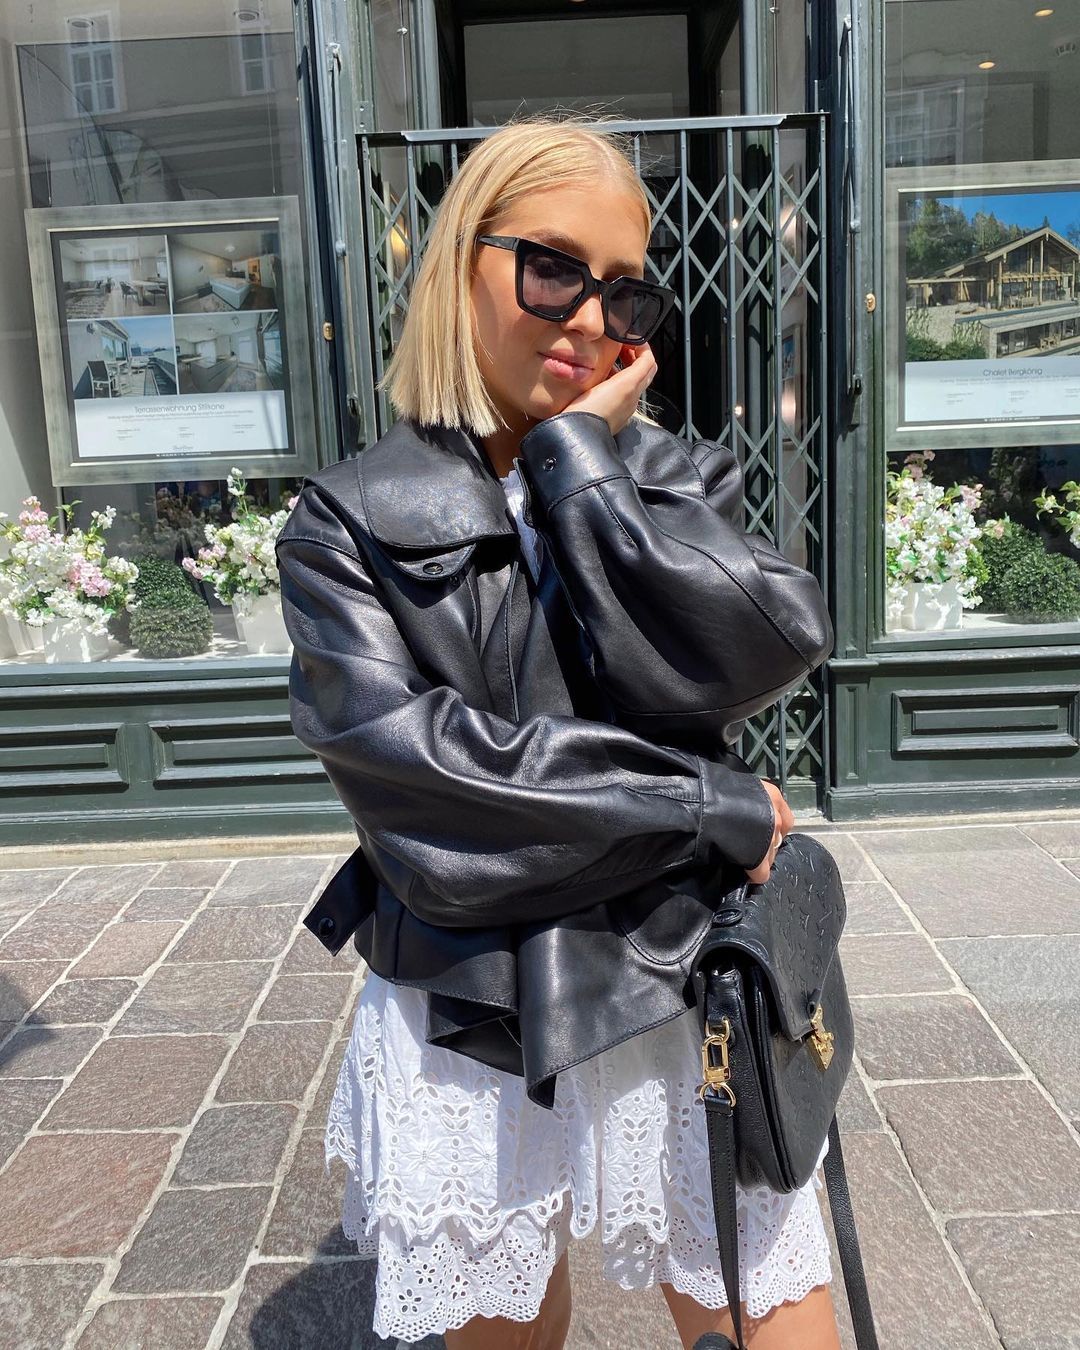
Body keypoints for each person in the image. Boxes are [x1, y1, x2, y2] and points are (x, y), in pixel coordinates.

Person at [276, 113, 840, 1350]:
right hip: (470, 990)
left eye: (625, 294)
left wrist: (580, 464)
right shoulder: (343, 525)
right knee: (506, 1322)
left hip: (680, 961)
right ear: (459, 266)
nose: (591, 319)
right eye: (552, 271)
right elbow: (427, 788)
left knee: (765, 1298)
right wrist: (699, 804)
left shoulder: (675, 477)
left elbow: (760, 647)